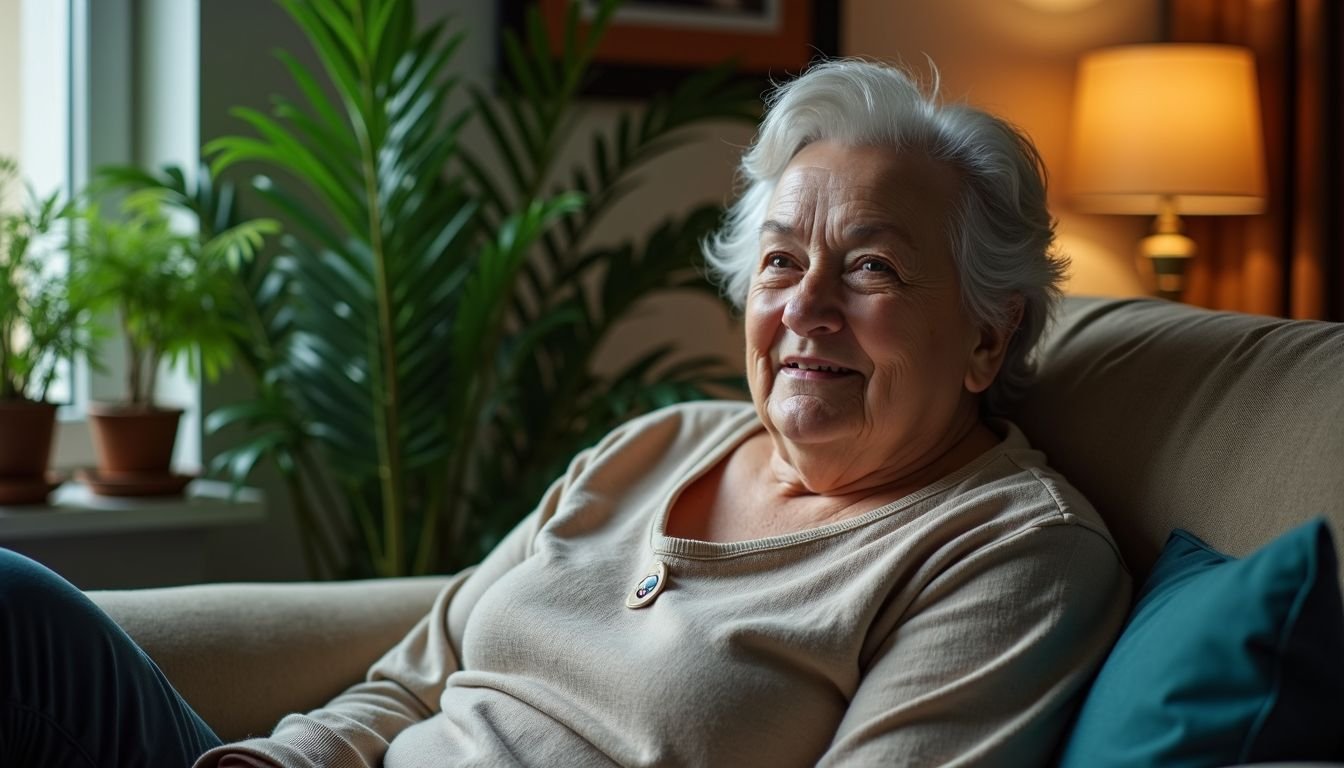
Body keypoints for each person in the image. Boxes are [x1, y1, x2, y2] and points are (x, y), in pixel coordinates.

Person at [0, 58, 1130, 767]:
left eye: (872, 268)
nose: (806, 309)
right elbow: (416, 669)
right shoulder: (660, 443)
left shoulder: (1011, 553)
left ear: (988, 334)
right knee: (18, 613)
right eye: (782, 261)